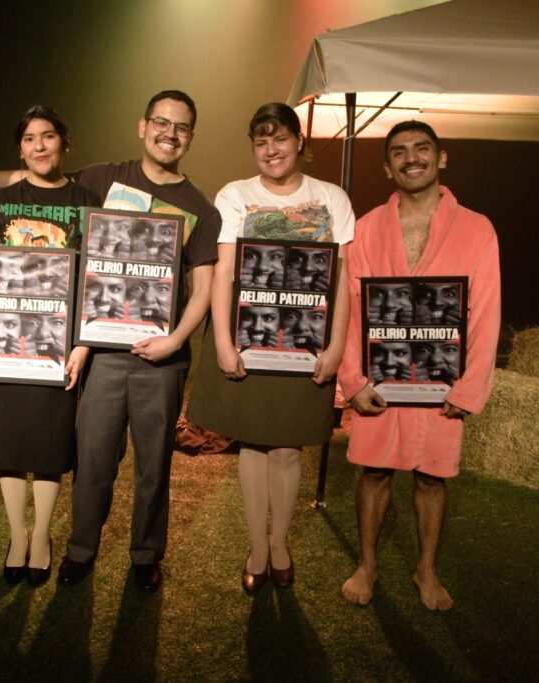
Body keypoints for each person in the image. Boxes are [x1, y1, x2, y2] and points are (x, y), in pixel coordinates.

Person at [0, 90, 220, 591]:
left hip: (162, 358)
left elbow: (203, 289)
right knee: (93, 460)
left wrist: (176, 339)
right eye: (160, 122)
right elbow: (36, 179)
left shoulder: (201, 208)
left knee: (153, 467)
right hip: (100, 354)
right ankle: (80, 550)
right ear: (142, 126)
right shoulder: (101, 179)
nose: (169, 133)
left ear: (191, 137)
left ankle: (145, 557)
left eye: (180, 127)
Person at [186, 102, 353, 593]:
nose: (271, 150)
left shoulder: (332, 198)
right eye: (261, 142)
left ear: (299, 141)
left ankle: (280, 543)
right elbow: (225, 273)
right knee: (253, 445)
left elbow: (342, 281)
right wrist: (221, 341)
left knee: (287, 449)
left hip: (307, 345)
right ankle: (258, 548)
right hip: (248, 339)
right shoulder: (235, 195)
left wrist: (337, 346)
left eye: (279, 139)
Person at [338, 120, 500, 611]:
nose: (412, 158)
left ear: (441, 157)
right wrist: (353, 380)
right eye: (400, 152)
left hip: (440, 382)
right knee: (374, 473)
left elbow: (486, 311)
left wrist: (468, 388)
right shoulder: (365, 229)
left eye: (422, 148)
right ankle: (367, 564)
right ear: (387, 167)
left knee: (432, 477)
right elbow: (350, 309)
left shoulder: (476, 228)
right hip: (380, 380)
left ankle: (425, 569)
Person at [0, 106, 97, 587]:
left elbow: (95, 280)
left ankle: (41, 536)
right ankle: (17, 536)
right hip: (3, 339)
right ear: (19, 147)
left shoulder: (87, 200)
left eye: (49, 136)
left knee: (47, 444)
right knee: (11, 444)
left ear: (65, 142)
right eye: (30, 139)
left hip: (58, 345)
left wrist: (82, 344)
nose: (40, 146)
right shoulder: (2, 199)